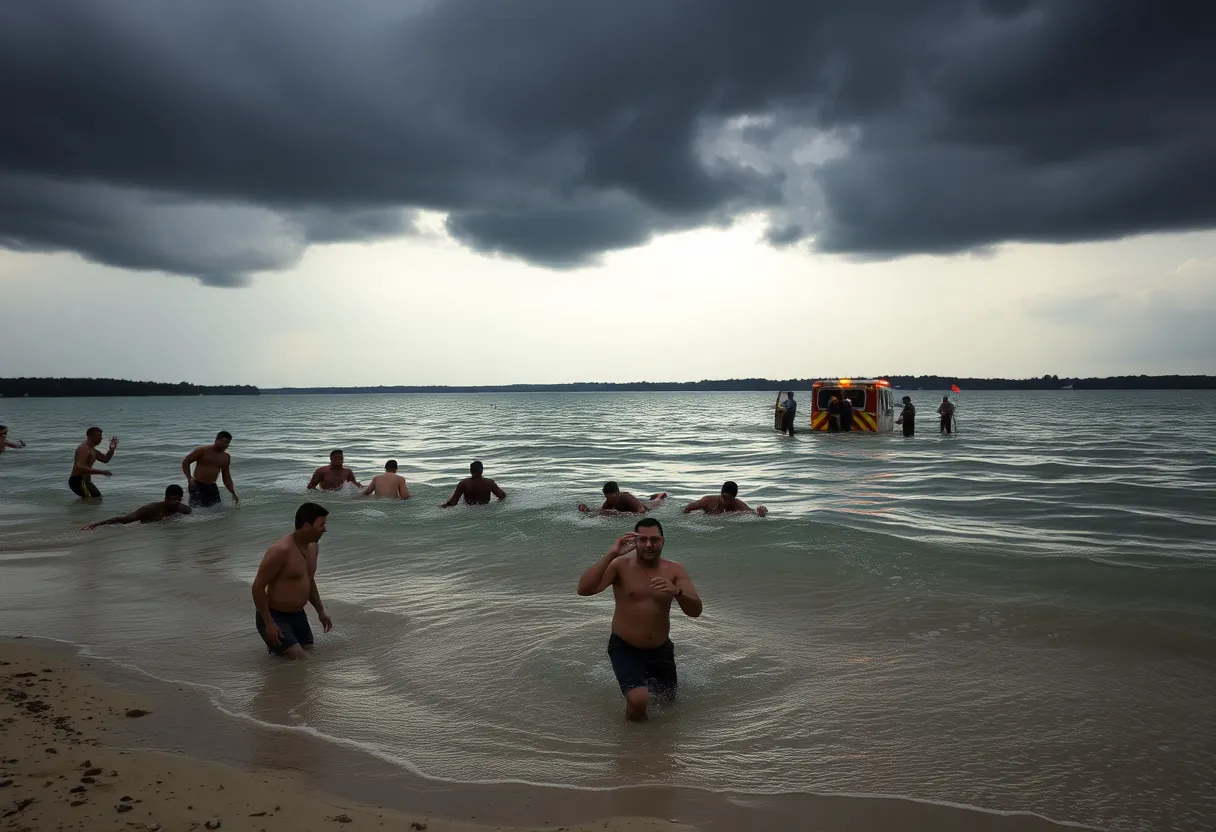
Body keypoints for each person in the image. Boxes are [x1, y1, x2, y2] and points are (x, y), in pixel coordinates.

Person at [576, 519, 702, 721]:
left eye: (654, 539)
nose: (649, 545)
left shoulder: (675, 570)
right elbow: (584, 590)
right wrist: (612, 554)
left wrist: (677, 592)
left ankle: (652, 748)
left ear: (663, 542)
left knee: (667, 705)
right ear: (634, 542)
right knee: (639, 700)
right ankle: (631, 747)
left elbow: (695, 611)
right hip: (625, 646)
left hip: (661, 649)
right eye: (642, 540)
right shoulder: (620, 565)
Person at [251, 502, 334, 660]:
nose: (325, 529)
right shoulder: (281, 550)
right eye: (321, 525)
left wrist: (320, 611)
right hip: (273, 614)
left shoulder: (313, 547)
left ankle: (277, 654)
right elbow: (258, 587)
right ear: (306, 525)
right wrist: (269, 623)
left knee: (309, 653)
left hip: (297, 615)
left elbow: (309, 580)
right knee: (299, 658)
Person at [82, 485, 192, 530]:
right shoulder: (150, 509)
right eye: (173, 499)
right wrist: (97, 524)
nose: (177, 502)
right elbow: (123, 520)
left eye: (179, 499)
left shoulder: (185, 510)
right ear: (166, 498)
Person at [181, 431, 239, 507]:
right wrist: (189, 478)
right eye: (224, 442)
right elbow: (186, 461)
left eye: (228, 443)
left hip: (212, 486)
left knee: (217, 510)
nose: (226, 445)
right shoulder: (203, 450)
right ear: (217, 440)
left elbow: (226, 477)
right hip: (197, 484)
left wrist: (233, 492)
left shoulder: (226, 457)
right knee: (195, 510)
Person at [69, 427, 117, 499]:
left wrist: (112, 449)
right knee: (94, 500)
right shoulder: (84, 448)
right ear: (90, 436)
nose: (101, 438)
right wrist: (101, 472)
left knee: (94, 500)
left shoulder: (92, 449)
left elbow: (105, 459)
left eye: (101, 435)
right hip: (78, 481)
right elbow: (78, 467)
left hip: (86, 482)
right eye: (99, 435)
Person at [440, 460, 507, 507]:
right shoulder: (489, 482)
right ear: (482, 470)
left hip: (469, 510)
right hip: (486, 510)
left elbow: (454, 502)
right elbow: (502, 496)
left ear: (470, 470)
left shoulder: (463, 483)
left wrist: (444, 506)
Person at [681, 481, 767, 517]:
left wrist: (762, 513)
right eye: (724, 498)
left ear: (734, 497)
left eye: (729, 499)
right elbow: (687, 508)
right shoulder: (708, 501)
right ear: (721, 494)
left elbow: (753, 513)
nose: (726, 502)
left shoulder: (738, 505)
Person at [578, 481, 667, 514]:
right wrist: (587, 510)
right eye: (608, 498)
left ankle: (658, 496)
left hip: (646, 508)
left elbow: (642, 512)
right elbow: (602, 511)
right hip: (633, 507)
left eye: (613, 498)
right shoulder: (609, 501)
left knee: (656, 501)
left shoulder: (627, 497)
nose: (611, 501)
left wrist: (620, 515)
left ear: (618, 493)